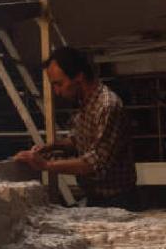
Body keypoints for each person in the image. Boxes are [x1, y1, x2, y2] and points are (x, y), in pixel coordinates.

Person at [14, 46, 137, 209]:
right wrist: (50, 147)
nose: (57, 92)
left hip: (117, 200)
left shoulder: (107, 106)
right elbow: (78, 140)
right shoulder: (84, 103)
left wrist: (45, 165)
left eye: (59, 84)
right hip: (96, 197)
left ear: (79, 77)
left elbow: (96, 162)